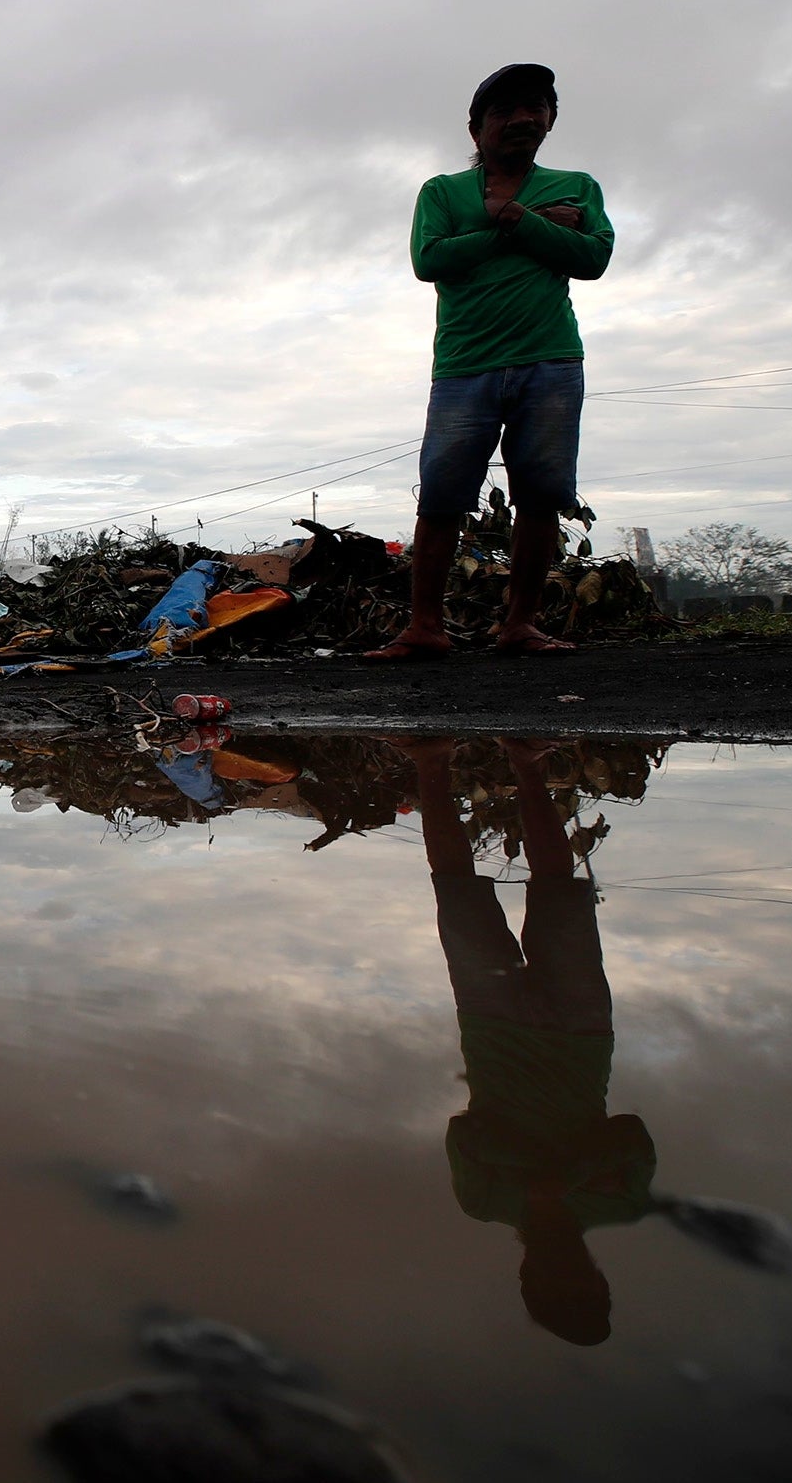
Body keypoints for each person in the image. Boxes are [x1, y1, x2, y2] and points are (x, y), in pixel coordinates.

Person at [401, 736, 655, 1346]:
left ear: (527, 1277)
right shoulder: (619, 1203)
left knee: (455, 889)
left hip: (491, 1025)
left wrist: (548, 1177)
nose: (569, 1274)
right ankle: (527, 761)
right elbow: (632, 1133)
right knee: (556, 886)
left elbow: (464, 1134)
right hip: (581, 1029)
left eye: (555, 1288)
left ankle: (429, 762)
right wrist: (560, 1177)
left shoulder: (485, 1201)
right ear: (601, 1281)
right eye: (585, 1287)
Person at [368, 65, 613, 661]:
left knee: (540, 495)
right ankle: (425, 627)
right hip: (464, 365)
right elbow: (430, 260)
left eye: (535, 107)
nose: (522, 119)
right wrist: (519, 228)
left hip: (551, 361)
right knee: (442, 495)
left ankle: (519, 627)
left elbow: (594, 257)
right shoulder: (440, 192)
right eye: (503, 111)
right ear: (476, 130)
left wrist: (514, 219)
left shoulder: (576, 184)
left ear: (550, 119)